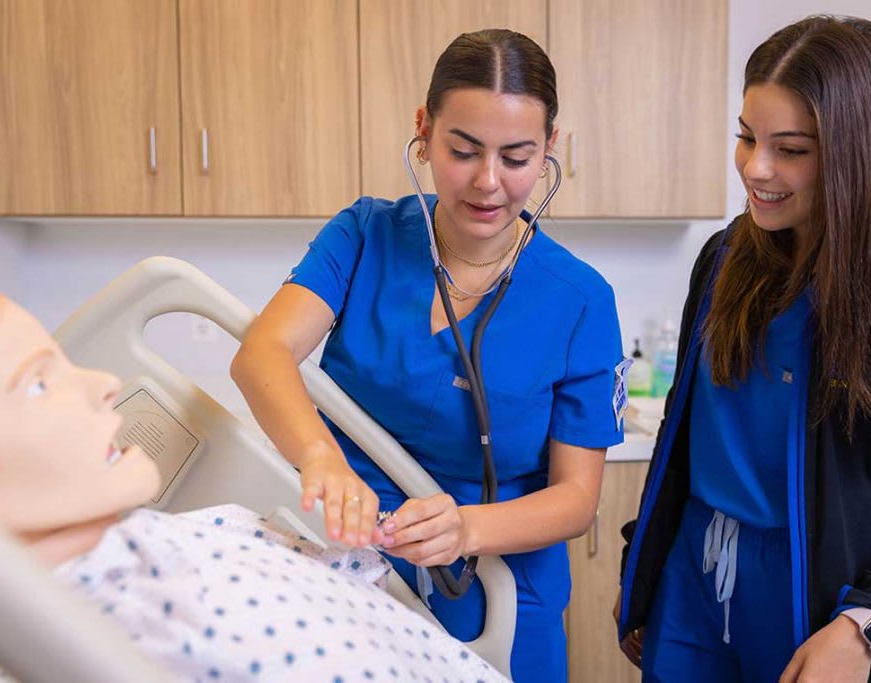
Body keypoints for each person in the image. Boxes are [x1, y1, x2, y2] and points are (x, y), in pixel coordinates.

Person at [613, 15, 871, 683]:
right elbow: (682, 439)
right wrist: (644, 567)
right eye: (746, 137)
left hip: (826, 604)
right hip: (695, 577)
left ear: (861, 152)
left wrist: (868, 623)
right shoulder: (723, 261)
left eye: (790, 149)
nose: (756, 168)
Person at [231, 29, 625, 680]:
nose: (488, 182)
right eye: (463, 150)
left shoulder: (580, 299)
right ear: (424, 129)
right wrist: (321, 458)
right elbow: (263, 353)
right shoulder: (365, 235)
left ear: (550, 148)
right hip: (348, 569)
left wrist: (466, 528)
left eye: (517, 156)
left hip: (500, 593)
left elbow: (577, 498)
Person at [0, 293, 507, 683]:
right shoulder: (130, 632)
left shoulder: (187, 534)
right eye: (38, 383)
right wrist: (318, 455)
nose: (103, 382)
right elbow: (262, 353)